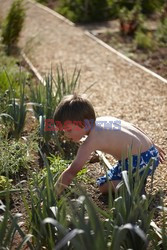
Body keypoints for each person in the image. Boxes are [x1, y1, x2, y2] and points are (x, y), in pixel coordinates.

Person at [53, 94, 165, 196]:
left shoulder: (91, 142)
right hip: (151, 153)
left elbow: (71, 171)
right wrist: (152, 145)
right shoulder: (104, 120)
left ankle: (132, 187)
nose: (66, 135)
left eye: (68, 130)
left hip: (138, 162)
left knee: (103, 186)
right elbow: (132, 127)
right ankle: (134, 180)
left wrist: (53, 194)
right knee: (108, 179)